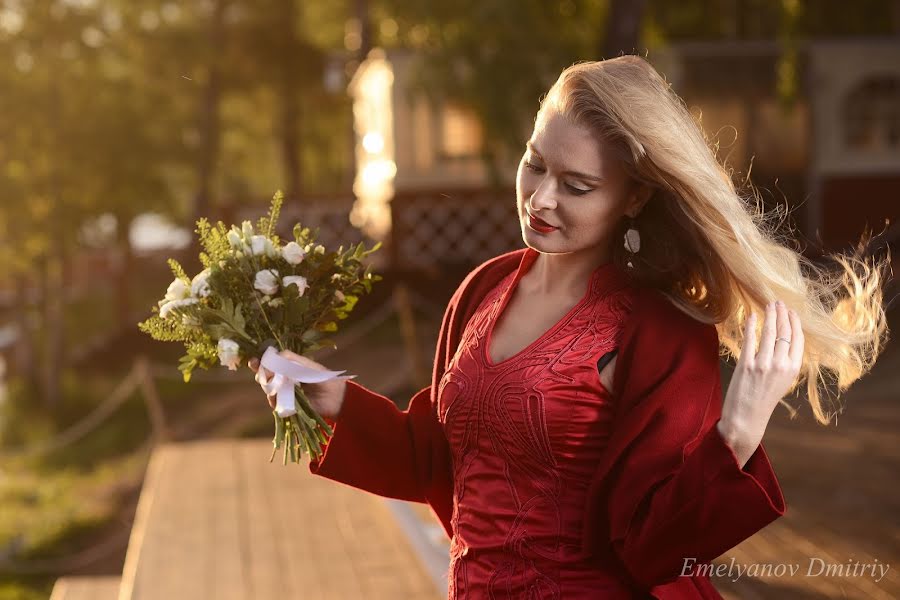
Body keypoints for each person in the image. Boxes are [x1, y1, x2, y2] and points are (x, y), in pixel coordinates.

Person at [251, 55, 891, 599]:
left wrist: (739, 430)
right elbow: (440, 462)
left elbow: (654, 546)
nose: (541, 198)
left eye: (577, 185)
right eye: (535, 164)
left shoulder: (658, 328)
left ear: (634, 196)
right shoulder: (484, 289)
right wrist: (331, 397)